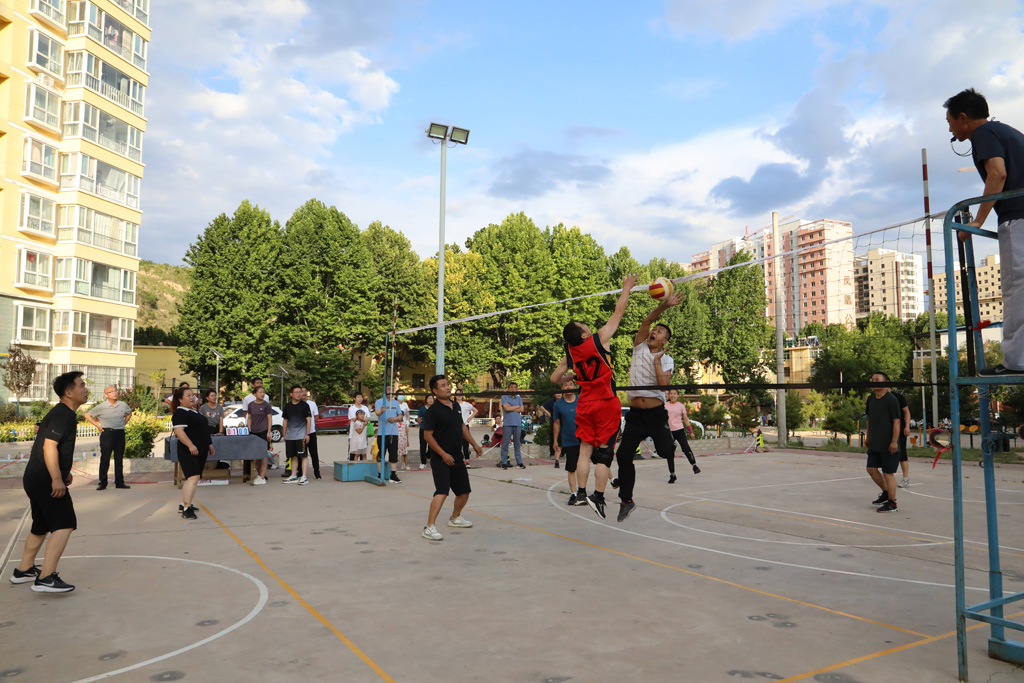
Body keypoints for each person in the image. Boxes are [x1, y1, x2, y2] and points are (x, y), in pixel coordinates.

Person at [945, 88, 1024, 375]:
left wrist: (977, 221)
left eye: (950, 122)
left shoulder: (984, 134)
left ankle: (1016, 362)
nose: (950, 129)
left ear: (963, 117)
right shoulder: (1009, 131)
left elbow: (998, 173)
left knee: (1016, 289)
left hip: (1018, 217)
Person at [550, 274, 637, 519]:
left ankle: (580, 492)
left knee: (584, 452)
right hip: (606, 404)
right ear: (584, 334)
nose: (586, 325)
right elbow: (619, 312)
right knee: (605, 454)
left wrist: (569, 378)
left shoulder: (570, 353)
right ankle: (598, 496)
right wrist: (626, 288)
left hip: (585, 404)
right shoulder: (599, 340)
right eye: (583, 325)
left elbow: (554, 378)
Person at [11, 371, 89, 592]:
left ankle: (24, 570)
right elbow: (49, 446)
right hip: (45, 479)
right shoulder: (64, 415)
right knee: (64, 524)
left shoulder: (61, 413)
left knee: (41, 525)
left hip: (36, 477)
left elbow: (52, 446)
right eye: (81, 385)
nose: (85, 389)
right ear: (68, 392)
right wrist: (56, 478)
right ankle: (46, 578)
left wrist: (63, 473)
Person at [613, 290, 683, 522]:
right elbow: (646, 321)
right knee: (623, 455)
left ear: (665, 341)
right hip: (635, 415)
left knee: (664, 451)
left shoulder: (667, 359)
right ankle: (627, 500)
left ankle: (669, 443)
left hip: (655, 415)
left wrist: (656, 363)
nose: (655, 331)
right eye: (655, 329)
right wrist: (665, 305)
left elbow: (664, 386)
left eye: (660, 331)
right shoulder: (639, 347)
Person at [420, 375, 484, 541]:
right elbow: (427, 436)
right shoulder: (433, 411)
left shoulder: (455, 405)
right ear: (435, 391)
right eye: (443, 385)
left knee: (464, 492)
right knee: (442, 491)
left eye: (448, 384)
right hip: (440, 458)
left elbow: (462, 426)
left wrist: (474, 444)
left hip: (457, 456)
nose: (448, 387)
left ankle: (455, 517)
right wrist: (443, 454)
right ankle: (429, 527)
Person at [172, 386, 216, 520]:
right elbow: (179, 432)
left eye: (193, 395)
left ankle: (184, 504)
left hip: (201, 449)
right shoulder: (180, 414)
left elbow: (202, 429)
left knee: (194, 478)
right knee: (193, 478)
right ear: (180, 400)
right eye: (188, 395)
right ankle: (186, 509)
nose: (192, 398)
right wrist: (190, 445)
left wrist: (209, 444)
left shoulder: (195, 411)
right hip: (188, 451)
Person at [84, 384, 132, 491]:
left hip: (120, 433)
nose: (114, 393)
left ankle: (119, 482)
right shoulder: (101, 406)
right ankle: (102, 483)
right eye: (111, 391)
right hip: (107, 434)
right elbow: (87, 415)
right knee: (105, 459)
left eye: (115, 391)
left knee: (119, 459)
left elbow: (129, 413)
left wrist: (124, 424)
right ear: (106, 395)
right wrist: (98, 426)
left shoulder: (122, 405)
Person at [866, 372, 901, 513]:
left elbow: (896, 421)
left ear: (885, 382)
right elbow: (869, 419)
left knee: (888, 473)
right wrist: (868, 437)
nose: (874, 381)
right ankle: (886, 493)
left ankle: (892, 504)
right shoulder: (870, 399)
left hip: (888, 443)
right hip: (875, 442)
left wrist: (894, 441)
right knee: (871, 469)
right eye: (873, 379)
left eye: (878, 380)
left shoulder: (891, 400)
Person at [551, 380, 588, 506]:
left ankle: (610, 482)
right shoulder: (558, 405)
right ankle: (573, 494)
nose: (568, 386)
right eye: (565, 384)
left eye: (571, 384)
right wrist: (555, 440)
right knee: (571, 468)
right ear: (562, 388)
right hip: (569, 440)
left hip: (585, 439)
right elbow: (556, 423)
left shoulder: (581, 400)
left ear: (574, 386)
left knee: (598, 461)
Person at [665, 389, 700, 480]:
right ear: (668, 395)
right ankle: (672, 474)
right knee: (669, 453)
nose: (672, 395)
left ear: (678, 395)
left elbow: (686, 419)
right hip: (669, 432)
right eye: (671, 394)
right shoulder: (665, 405)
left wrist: (691, 432)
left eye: (674, 394)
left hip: (680, 430)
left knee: (685, 448)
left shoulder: (681, 406)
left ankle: (694, 466)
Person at [281, 385, 312, 485]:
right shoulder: (288, 406)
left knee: (303, 456)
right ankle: (293, 475)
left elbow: (308, 420)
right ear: (291, 394)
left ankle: (304, 476)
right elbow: (285, 420)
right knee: (293, 456)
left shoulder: (305, 405)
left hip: (301, 436)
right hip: (290, 436)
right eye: (296, 392)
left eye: (300, 392)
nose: (299, 394)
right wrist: (284, 434)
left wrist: (307, 434)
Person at [374, 386, 402, 483]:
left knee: (393, 454)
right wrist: (381, 411)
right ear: (385, 391)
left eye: (392, 389)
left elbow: (400, 416)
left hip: (393, 432)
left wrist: (395, 419)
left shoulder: (396, 403)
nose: (391, 391)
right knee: (381, 453)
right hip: (382, 433)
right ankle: (380, 474)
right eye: (389, 389)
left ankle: (393, 475)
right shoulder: (379, 402)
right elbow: (377, 413)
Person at [246, 386, 273, 485]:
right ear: (255, 394)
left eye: (263, 392)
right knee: (257, 454)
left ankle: (262, 476)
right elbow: (249, 417)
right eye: (260, 392)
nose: (262, 394)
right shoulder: (251, 405)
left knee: (263, 454)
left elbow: (269, 419)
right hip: (253, 431)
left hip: (263, 431)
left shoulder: (266, 405)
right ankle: (258, 474)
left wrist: (268, 432)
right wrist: (249, 428)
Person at [499, 383, 525, 469]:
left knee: (517, 443)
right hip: (508, 424)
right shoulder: (504, 397)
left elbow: (522, 409)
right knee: (505, 443)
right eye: (511, 387)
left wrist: (512, 407)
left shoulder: (519, 398)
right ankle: (504, 463)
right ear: (508, 388)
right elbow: (506, 408)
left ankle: (519, 462)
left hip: (517, 423)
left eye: (515, 387)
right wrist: (517, 406)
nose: (513, 389)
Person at [537, 390, 563, 467]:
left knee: (563, 438)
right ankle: (552, 453)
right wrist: (548, 413)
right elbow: (542, 407)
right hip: (554, 422)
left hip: (563, 423)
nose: (558, 395)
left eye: (560, 393)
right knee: (553, 438)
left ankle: (562, 454)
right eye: (557, 393)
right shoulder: (552, 402)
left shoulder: (564, 401)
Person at [893, 386, 911, 489]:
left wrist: (907, 426)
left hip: (900, 429)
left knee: (902, 453)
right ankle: (889, 476)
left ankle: (905, 478)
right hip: (886, 430)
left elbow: (907, 412)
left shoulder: (898, 397)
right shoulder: (877, 398)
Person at [454, 389, 479, 461]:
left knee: (465, 443)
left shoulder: (466, 404)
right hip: (455, 426)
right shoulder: (453, 404)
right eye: (457, 394)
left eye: (460, 394)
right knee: (456, 443)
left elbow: (475, 410)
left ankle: (467, 459)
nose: (459, 395)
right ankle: (457, 459)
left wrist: (470, 418)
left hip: (465, 425)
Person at [302, 387, 321, 479]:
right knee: (302, 453)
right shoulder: (298, 404)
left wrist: (311, 425)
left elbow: (316, 417)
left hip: (312, 432)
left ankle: (317, 473)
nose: (304, 393)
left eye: (305, 391)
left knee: (314, 453)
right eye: (302, 391)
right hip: (301, 433)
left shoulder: (312, 404)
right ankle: (301, 473)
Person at [417, 395, 435, 469]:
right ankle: (423, 462)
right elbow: (419, 418)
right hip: (423, 429)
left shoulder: (435, 408)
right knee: (423, 446)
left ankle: (428, 456)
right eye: (429, 398)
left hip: (433, 429)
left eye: (432, 398)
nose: (430, 400)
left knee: (432, 445)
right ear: (426, 400)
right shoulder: (422, 409)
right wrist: (422, 424)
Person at [396, 391, 410, 470]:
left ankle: (406, 464)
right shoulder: (394, 403)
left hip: (403, 437)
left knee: (404, 452)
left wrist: (407, 423)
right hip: (397, 437)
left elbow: (407, 415)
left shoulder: (405, 404)